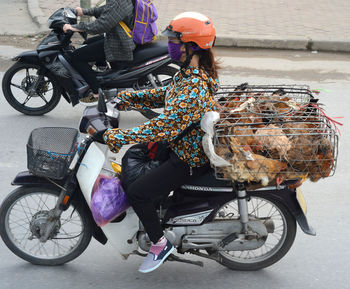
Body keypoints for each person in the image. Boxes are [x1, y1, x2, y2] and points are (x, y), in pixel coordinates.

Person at [103, 11, 219, 273]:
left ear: (191, 47)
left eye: (174, 43)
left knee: (138, 192)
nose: (169, 46)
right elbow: (164, 94)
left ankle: (159, 243)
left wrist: (116, 136)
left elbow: (164, 126)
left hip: (187, 158)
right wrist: (126, 99)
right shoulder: (190, 75)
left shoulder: (194, 88)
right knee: (136, 154)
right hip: (178, 145)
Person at [63, 0, 135, 103]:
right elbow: (107, 10)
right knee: (88, 42)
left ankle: (97, 93)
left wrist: (75, 27)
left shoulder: (119, 1)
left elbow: (101, 25)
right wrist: (85, 11)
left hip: (119, 43)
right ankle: (103, 72)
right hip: (118, 36)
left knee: (77, 57)